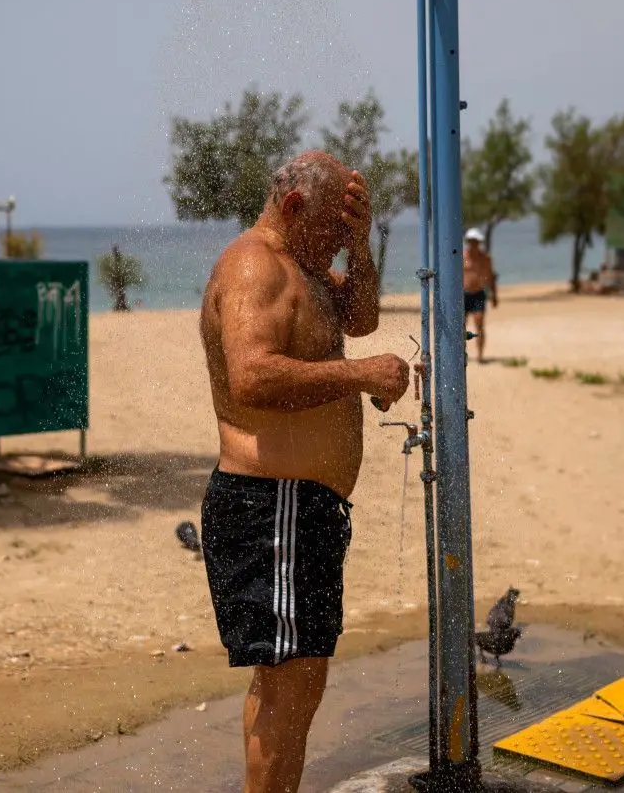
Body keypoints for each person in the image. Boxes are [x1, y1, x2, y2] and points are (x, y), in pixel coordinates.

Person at [198, 150, 412, 793]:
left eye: (348, 234)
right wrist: (361, 374)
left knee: (294, 681)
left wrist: (361, 246)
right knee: (290, 685)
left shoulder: (306, 266)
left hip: (298, 510)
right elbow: (252, 375)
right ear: (293, 207)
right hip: (272, 507)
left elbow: (361, 318)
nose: (338, 246)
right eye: (333, 230)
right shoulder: (255, 265)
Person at [462, 227, 498, 364]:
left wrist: (494, 295)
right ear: (468, 241)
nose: (474, 244)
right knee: (460, 325)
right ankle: (460, 353)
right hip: (463, 294)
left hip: (478, 294)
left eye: (476, 241)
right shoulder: (462, 256)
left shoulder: (485, 259)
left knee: (479, 323)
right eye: (471, 241)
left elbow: (490, 277)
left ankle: (480, 355)